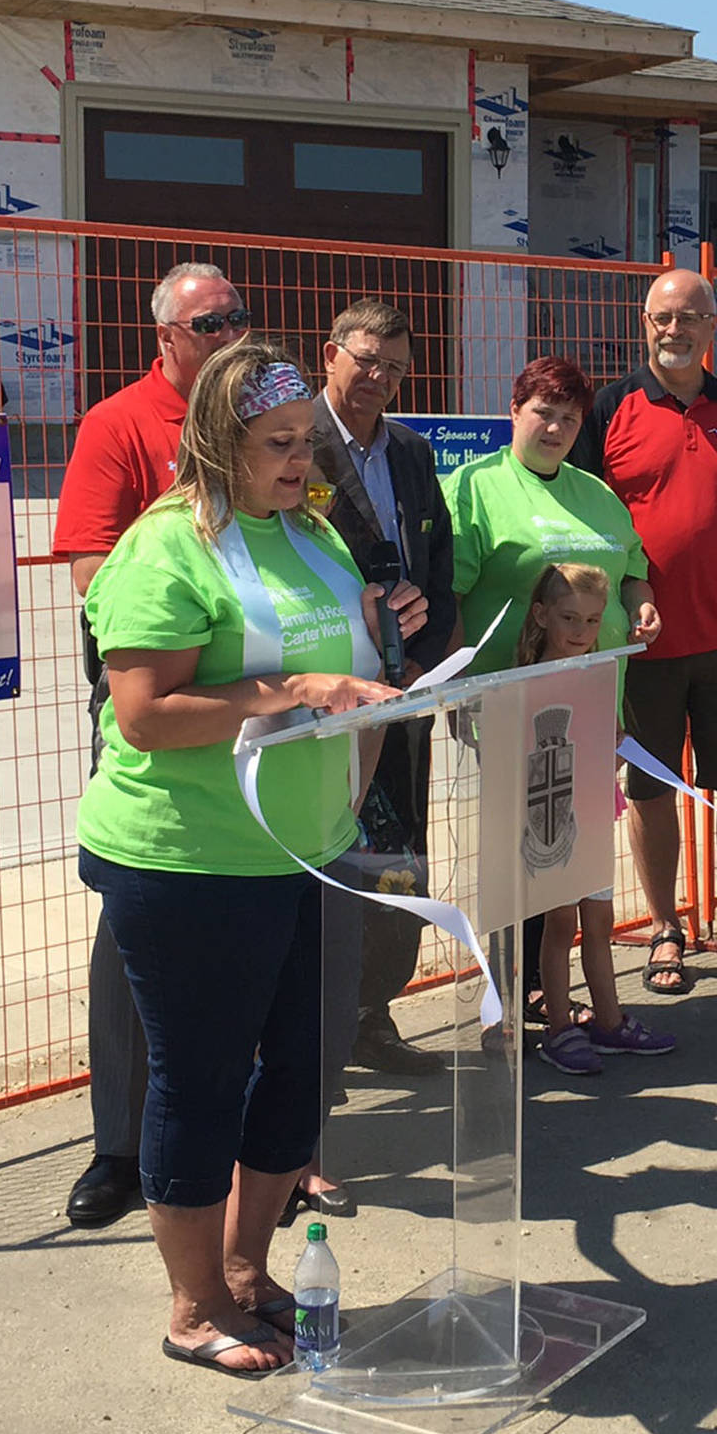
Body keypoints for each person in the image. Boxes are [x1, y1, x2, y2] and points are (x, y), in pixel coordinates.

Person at [75, 341, 424, 1376]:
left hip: (307, 853)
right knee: (202, 1078)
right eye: (276, 444)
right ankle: (190, 1308)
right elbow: (141, 714)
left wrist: (377, 633)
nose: (298, 459)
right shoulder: (163, 550)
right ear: (217, 443)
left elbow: (337, 654)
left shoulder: (312, 530)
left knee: (301, 1074)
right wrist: (300, 691)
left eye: (304, 442)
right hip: (189, 863)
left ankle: (244, 1267)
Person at [52, 261, 250, 1228]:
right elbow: (94, 573)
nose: (226, 336)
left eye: (238, 320)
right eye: (209, 323)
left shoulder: (260, 417)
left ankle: (246, 1129)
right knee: (139, 925)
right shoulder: (117, 425)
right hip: (165, 689)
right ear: (165, 335)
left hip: (261, 694)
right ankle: (118, 1144)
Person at [570, 269, 717, 1001]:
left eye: (690, 317)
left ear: (712, 325)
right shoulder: (609, 408)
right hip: (638, 653)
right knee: (650, 794)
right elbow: (576, 517)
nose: (675, 330)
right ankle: (666, 926)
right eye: (663, 318)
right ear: (644, 322)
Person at [445, 357, 662, 1023]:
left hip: (594, 702)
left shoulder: (595, 492)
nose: (556, 426)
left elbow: (632, 570)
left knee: (567, 858)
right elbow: (450, 596)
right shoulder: (473, 488)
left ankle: (555, 1001)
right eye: (544, 411)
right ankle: (508, 1005)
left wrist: (643, 600)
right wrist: (457, 685)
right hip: (513, 708)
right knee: (526, 860)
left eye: (570, 417)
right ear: (514, 411)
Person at [308, 299, 458, 1082]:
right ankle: (309, 1033)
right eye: (366, 360)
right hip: (326, 698)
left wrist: (428, 663)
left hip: (403, 695)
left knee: (399, 859)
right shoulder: (295, 441)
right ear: (329, 353)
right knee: (323, 856)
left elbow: (437, 566)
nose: (379, 378)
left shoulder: (409, 449)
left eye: (395, 367)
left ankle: (375, 1012)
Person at [513, 564, 677, 1075]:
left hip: (594, 811)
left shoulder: (598, 671)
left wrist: (616, 746)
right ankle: (559, 1027)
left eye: (591, 619)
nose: (580, 631)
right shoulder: (524, 681)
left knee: (599, 922)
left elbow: (613, 733)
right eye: (569, 618)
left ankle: (608, 1020)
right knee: (560, 922)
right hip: (552, 821)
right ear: (542, 615)